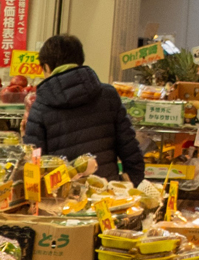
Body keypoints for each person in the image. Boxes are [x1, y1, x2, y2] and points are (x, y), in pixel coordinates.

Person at [23, 34, 144, 184]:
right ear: (80, 61)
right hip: (106, 195)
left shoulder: (40, 106)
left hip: (61, 197)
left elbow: (34, 162)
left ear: (47, 67)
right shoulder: (108, 95)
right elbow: (130, 147)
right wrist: (130, 182)